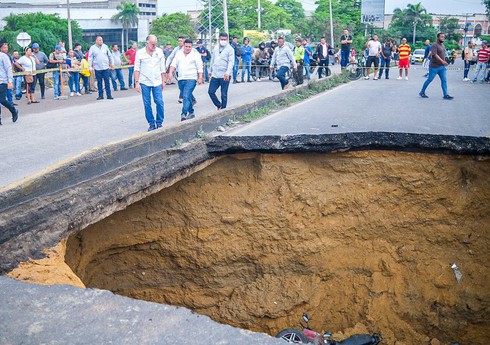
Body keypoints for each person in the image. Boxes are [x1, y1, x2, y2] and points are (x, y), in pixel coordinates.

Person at [134, 34, 166, 131]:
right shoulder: (140, 53)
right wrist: (137, 82)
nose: (154, 46)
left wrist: (163, 80)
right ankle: (151, 123)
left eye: (155, 44)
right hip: (144, 81)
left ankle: (159, 122)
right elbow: (137, 68)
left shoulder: (159, 52)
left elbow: (162, 68)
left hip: (157, 81)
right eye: (152, 44)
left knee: (159, 102)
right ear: (147, 43)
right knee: (147, 103)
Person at [169, 38, 203, 121]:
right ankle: (191, 112)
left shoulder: (195, 55)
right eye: (186, 46)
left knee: (185, 96)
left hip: (191, 78)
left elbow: (199, 66)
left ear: (192, 47)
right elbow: (174, 64)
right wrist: (170, 72)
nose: (188, 48)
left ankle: (183, 113)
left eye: (189, 47)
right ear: (183, 46)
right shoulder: (179, 54)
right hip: (181, 78)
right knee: (187, 96)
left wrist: (200, 77)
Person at [419, 33, 453, 100]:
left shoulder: (442, 45)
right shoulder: (435, 45)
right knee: (430, 79)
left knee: (444, 80)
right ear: (438, 37)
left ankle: (445, 94)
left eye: (443, 37)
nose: (443, 38)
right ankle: (422, 92)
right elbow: (434, 55)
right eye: (441, 37)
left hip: (442, 67)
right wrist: (442, 61)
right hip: (434, 66)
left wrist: (447, 59)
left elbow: (443, 54)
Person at [208, 32, 234, 110]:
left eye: (224, 39)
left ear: (227, 39)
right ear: (219, 39)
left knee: (223, 94)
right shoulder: (216, 48)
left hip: (224, 74)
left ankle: (223, 109)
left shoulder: (230, 49)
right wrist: (210, 70)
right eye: (222, 39)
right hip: (215, 74)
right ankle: (219, 105)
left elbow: (231, 62)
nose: (223, 41)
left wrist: (227, 73)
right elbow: (212, 59)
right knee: (211, 91)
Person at [88, 36, 114, 100]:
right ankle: (100, 95)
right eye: (99, 40)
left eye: (102, 40)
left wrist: (112, 64)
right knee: (99, 82)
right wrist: (90, 66)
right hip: (97, 68)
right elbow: (90, 58)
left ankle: (109, 95)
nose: (101, 41)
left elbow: (110, 56)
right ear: (96, 41)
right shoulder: (92, 48)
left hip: (105, 67)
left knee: (107, 82)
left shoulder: (105, 46)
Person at [0, 42, 19, 125]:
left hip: (2, 81)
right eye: (4, 47)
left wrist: (10, 81)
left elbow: (8, 68)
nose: (6, 49)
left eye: (6, 47)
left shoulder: (3, 56)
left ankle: (13, 110)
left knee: (2, 100)